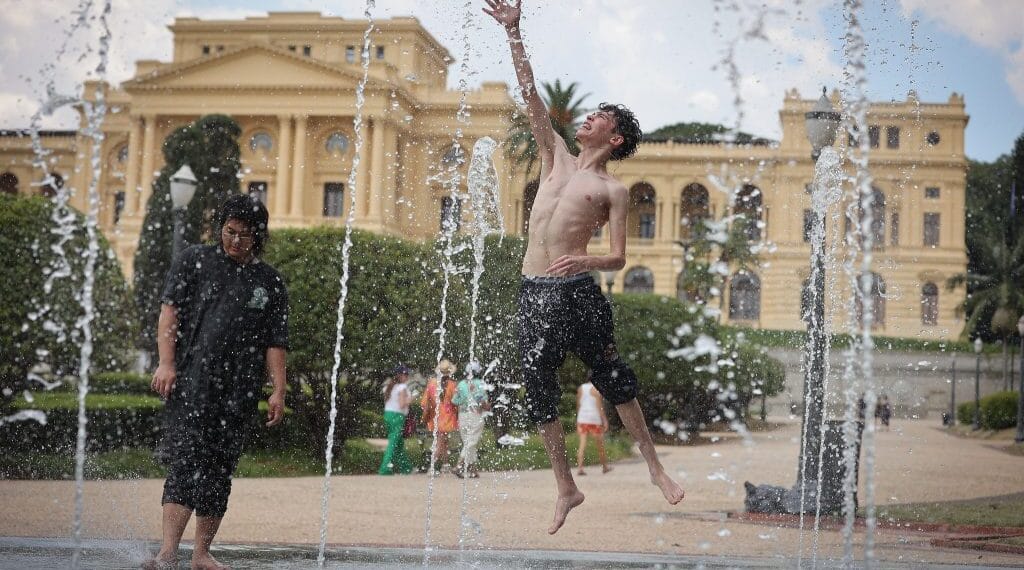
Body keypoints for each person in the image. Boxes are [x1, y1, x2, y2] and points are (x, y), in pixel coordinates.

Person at [484, 0, 685, 535]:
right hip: (533, 289)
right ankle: (565, 486)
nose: (589, 117)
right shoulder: (553, 157)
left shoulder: (612, 190)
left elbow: (618, 256)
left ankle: (656, 469)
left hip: (575, 290)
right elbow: (531, 94)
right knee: (536, 382)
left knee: (614, 378)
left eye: (600, 117)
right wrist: (514, 33)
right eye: (590, 113)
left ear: (613, 138)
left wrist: (586, 259)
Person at [146, 194, 288, 570]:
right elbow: (169, 312)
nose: (235, 241)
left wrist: (277, 388)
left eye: (244, 235)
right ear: (220, 228)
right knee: (186, 461)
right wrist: (166, 363)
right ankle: (167, 552)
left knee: (219, 468)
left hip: (239, 392)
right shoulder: (196, 260)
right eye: (229, 232)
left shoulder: (269, 281)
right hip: (193, 383)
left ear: (258, 236)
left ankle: (201, 553)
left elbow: (276, 341)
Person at [420, 359, 459, 473]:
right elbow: (455, 402)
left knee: (443, 441)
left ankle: (445, 465)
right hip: (447, 417)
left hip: (435, 416)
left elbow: (424, 402)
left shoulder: (432, 383)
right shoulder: (452, 385)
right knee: (441, 442)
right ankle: (431, 467)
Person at [452, 361, 489, 478]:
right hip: (475, 414)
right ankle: (458, 466)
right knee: (471, 442)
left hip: (462, 415)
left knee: (468, 443)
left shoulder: (461, 384)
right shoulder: (479, 383)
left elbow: (454, 401)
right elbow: (482, 401)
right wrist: (488, 406)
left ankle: (473, 470)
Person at [379, 364, 414, 475]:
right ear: (400, 375)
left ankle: (406, 468)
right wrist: (412, 398)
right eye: (405, 374)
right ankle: (385, 468)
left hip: (388, 414)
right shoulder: (402, 387)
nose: (407, 376)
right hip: (397, 416)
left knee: (398, 443)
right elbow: (402, 404)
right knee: (393, 443)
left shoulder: (388, 387)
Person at [575, 372, 611, 476]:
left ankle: (580, 468)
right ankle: (605, 467)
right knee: (600, 444)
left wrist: (578, 417)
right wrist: (604, 420)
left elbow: (578, 404)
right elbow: (599, 406)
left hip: (582, 418)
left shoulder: (581, 388)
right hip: (594, 419)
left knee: (582, 444)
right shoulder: (596, 389)